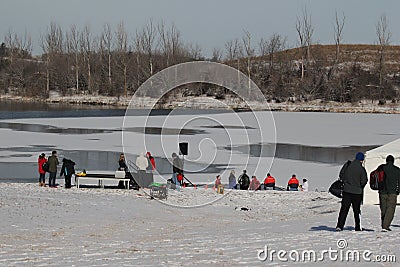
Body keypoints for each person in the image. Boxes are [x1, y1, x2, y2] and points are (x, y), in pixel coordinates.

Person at [336, 152, 368, 232]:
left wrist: (346, 183)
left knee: (344, 209)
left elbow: (341, 175)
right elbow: (364, 180)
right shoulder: (361, 169)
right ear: (362, 160)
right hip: (357, 192)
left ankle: (339, 226)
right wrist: (360, 186)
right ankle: (357, 227)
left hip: (346, 191)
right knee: (356, 210)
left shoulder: (348, 165)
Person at [378, 155, 400, 232]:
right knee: (390, 209)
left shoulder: (381, 168)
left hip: (382, 192)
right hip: (392, 192)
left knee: (383, 209)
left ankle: (384, 224)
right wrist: (398, 190)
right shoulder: (397, 170)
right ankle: (385, 226)